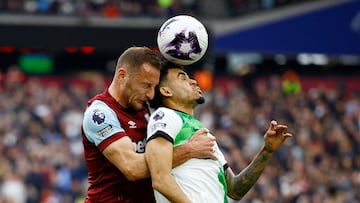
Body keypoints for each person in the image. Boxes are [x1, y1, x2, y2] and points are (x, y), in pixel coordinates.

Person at [81, 46, 216, 203]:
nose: (151, 94)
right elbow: (133, 168)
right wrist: (189, 150)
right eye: (146, 85)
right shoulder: (100, 114)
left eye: (154, 86)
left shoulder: (147, 106)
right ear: (122, 76)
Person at [145, 60, 293, 203]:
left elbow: (235, 190)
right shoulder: (165, 115)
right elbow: (160, 179)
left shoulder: (204, 134)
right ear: (166, 90)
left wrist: (266, 151)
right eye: (183, 78)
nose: (194, 81)